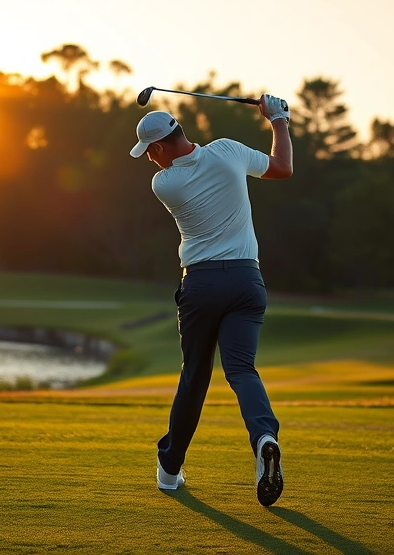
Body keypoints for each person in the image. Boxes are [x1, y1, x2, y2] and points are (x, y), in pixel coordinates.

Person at [129, 95, 293, 506]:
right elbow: (282, 168)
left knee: (196, 374)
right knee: (242, 370)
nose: (149, 160)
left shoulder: (164, 182)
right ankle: (264, 437)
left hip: (202, 285)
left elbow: (174, 166)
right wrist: (278, 121)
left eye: (149, 152)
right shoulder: (229, 151)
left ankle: (169, 472)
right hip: (246, 280)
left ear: (161, 147)